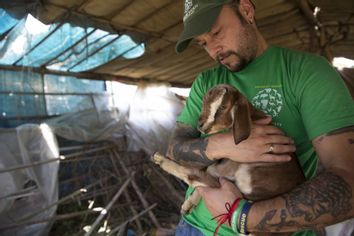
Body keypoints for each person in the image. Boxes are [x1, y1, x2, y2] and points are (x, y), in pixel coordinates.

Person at [167, 0, 354, 235]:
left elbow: (349, 180)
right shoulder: (206, 82)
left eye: (216, 32)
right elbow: (175, 150)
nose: (213, 50)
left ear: (246, 11)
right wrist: (228, 145)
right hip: (195, 227)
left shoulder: (307, 73)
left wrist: (240, 216)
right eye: (203, 43)